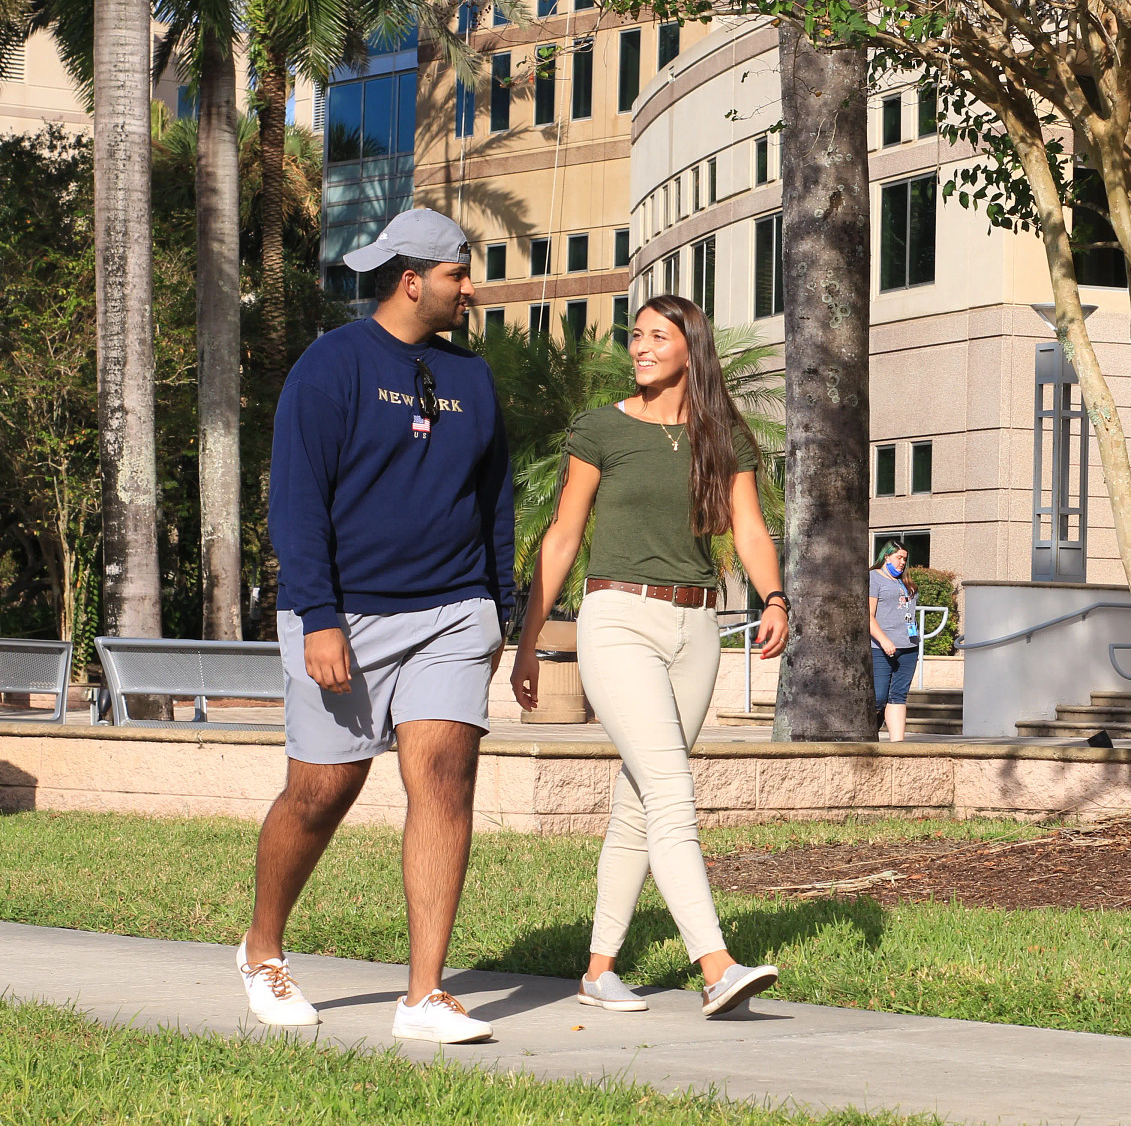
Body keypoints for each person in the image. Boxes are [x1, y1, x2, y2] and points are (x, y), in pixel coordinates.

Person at [243, 208, 513, 1045]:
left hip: (452, 613)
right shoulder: (332, 368)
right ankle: (261, 949)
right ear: (413, 280)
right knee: (323, 790)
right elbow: (297, 502)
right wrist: (318, 618)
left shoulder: (472, 379)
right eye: (459, 275)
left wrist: (497, 611)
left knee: (444, 781)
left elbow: (493, 502)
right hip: (347, 617)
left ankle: (424, 994)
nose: (471, 289)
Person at [512, 295, 788, 1019]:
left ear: (689, 350)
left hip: (696, 629)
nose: (638, 347)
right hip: (618, 619)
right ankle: (717, 965)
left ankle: (599, 970)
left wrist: (775, 597)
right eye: (635, 335)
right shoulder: (601, 428)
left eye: (656, 337)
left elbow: (751, 531)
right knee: (671, 793)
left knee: (641, 800)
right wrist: (531, 639)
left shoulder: (722, 435)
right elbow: (563, 538)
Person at [868, 542, 919, 742]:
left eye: (905, 559)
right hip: (881, 647)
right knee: (879, 697)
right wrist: (883, 640)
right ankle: (868, 736)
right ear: (886, 556)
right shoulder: (874, 578)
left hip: (908, 645)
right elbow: (868, 615)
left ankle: (898, 745)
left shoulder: (904, 582)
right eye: (898, 557)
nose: (902, 562)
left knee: (898, 696)